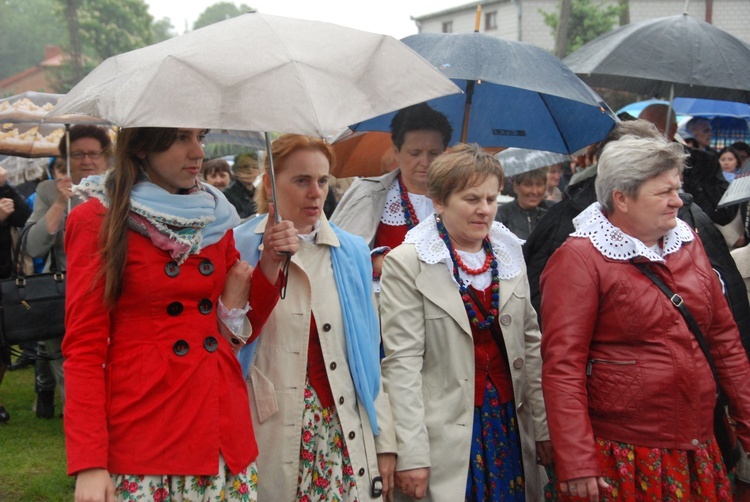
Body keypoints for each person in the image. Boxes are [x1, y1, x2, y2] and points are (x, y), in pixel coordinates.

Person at [63, 126, 297, 501]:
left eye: (200, 138)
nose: (198, 153)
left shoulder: (215, 217)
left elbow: (240, 329)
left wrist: (270, 260)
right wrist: (90, 462)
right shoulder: (97, 219)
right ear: (142, 145)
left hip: (221, 423)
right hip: (145, 431)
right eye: (180, 139)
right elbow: (83, 348)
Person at [540, 135, 750, 501]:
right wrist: (576, 460)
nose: (678, 200)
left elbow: (725, 341)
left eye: (677, 188)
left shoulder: (688, 242)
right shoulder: (580, 259)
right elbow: (563, 367)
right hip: (626, 451)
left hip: (698, 442)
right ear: (621, 197)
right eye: (663, 192)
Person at [379, 144, 550, 501]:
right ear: (439, 202)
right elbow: (402, 363)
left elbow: (531, 346)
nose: (484, 209)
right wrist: (411, 452)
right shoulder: (409, 262)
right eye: (471, 199)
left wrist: (545, 430)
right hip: (446, 433)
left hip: (509, 423)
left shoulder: (508, 251)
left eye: (491, 198)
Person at [233, 134, 396, 501]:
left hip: (342, 429)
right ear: (271, 184)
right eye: (302, 180)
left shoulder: (351, 250)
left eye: (322, 181)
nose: (316, 192)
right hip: (267, 428)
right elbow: (229, 341)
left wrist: (384, 440)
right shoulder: (239, 244)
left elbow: (370, 354)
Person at [24, 124, 112, 419]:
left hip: (111, 288)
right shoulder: (49, 191)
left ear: (107, 158)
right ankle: (79, 420)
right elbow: (33, 247)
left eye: (93, 154)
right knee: (67, 362)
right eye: (77, 154)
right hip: (64, 291)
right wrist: (61, 202)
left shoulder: (121, 191)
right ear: (65, 159)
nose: (86, 160)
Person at [331, 103, 452, 289]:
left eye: (434, 153)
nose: (425, 162)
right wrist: (377, 262)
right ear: (396, 151)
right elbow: (340, 256)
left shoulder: (456, 199)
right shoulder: (369, 193)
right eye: (415, 153)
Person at [0, 165, 33, 422]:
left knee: (2, 343)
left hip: (3, 276)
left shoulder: (3, 191)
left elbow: (24, 217)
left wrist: (5, 184)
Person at [496, 167, 553, 240]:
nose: (534, 191)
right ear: (516, 186)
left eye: (539, 185)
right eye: (528, 185)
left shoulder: (553, 212)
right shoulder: (502, 215)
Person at [222, 154, 259, 219]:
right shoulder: (227, 195)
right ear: (235, 170)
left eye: (254, 167)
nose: (250, 170)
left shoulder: (259, 193)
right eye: (245, 167)